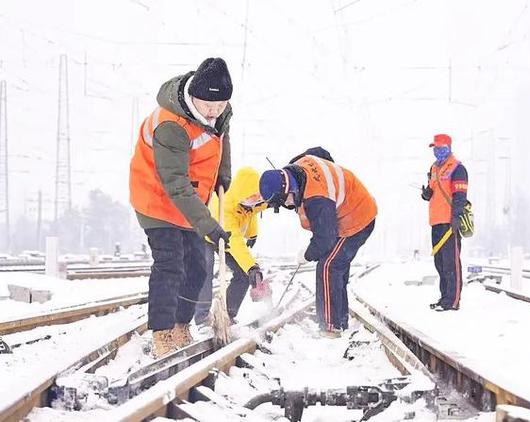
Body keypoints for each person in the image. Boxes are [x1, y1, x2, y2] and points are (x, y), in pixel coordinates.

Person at [129, 57, 233, 358]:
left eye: (220, 104)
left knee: (199, 267)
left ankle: (180, 325)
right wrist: (209, 224)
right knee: (170, 264)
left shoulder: (221, 111)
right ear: (192, 96)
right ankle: (161, 333)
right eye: (207, 105)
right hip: (156, 199)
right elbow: (174, 183)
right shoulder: (171, 126)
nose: (214, 111)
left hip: (190, 201)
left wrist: (224, 173)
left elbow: (223, 139)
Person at [259, 147, 377, 338]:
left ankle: (330, 327)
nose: (287, 206)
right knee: (336, 266)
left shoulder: (317, 199)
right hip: (343, 215)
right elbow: (319, 152)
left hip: (357, 218)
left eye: (284, 202)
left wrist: (307, 254)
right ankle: (340, 320)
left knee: (328, 266)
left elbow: (326, 238)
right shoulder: (296, 167)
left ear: (289, 189)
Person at [194, 167, 270, 326]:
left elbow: (252, 213)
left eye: (257, 196)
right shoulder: (226, 205)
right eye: (252, 196)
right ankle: (202, 318)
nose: (255, 199)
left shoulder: (251, 202)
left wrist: (252, 233)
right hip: (206, 234)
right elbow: (234, 241)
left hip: (226, 235)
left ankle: (226, 314)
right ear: (243, 191)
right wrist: (252, 266)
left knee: (242, 274)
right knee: (204, 270)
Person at [421, 134, 468, 311]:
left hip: (450, 222)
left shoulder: (457, 168)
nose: (437, 151)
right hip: (436, 221)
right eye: (435, 148)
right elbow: (433, 191)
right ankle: (444, 297)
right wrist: (426, 195)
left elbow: (460, 196)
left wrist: (456, 217)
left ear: (448, 148)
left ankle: (453, 301)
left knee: (451, 262)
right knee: (440, 263)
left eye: (440, 148)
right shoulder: (434, 168)